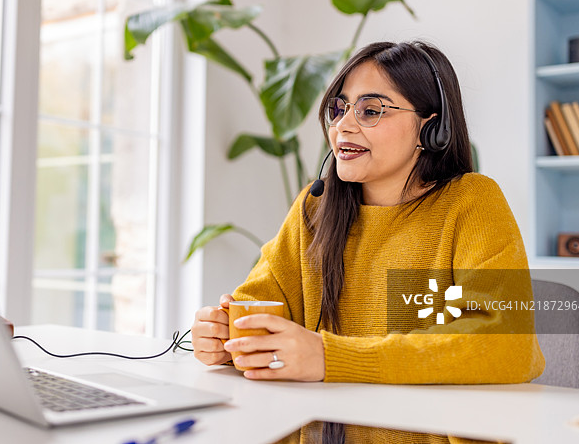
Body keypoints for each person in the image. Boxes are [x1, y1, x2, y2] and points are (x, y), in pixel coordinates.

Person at [191, 41, 545, 384]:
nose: (343, 126)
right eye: (339, 108)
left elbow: (506, 344)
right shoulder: (314, 208)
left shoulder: (471, 202)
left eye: (371, 110)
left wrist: (332, 358)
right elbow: (259, 301)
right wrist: (225, 335)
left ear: (430, 127)